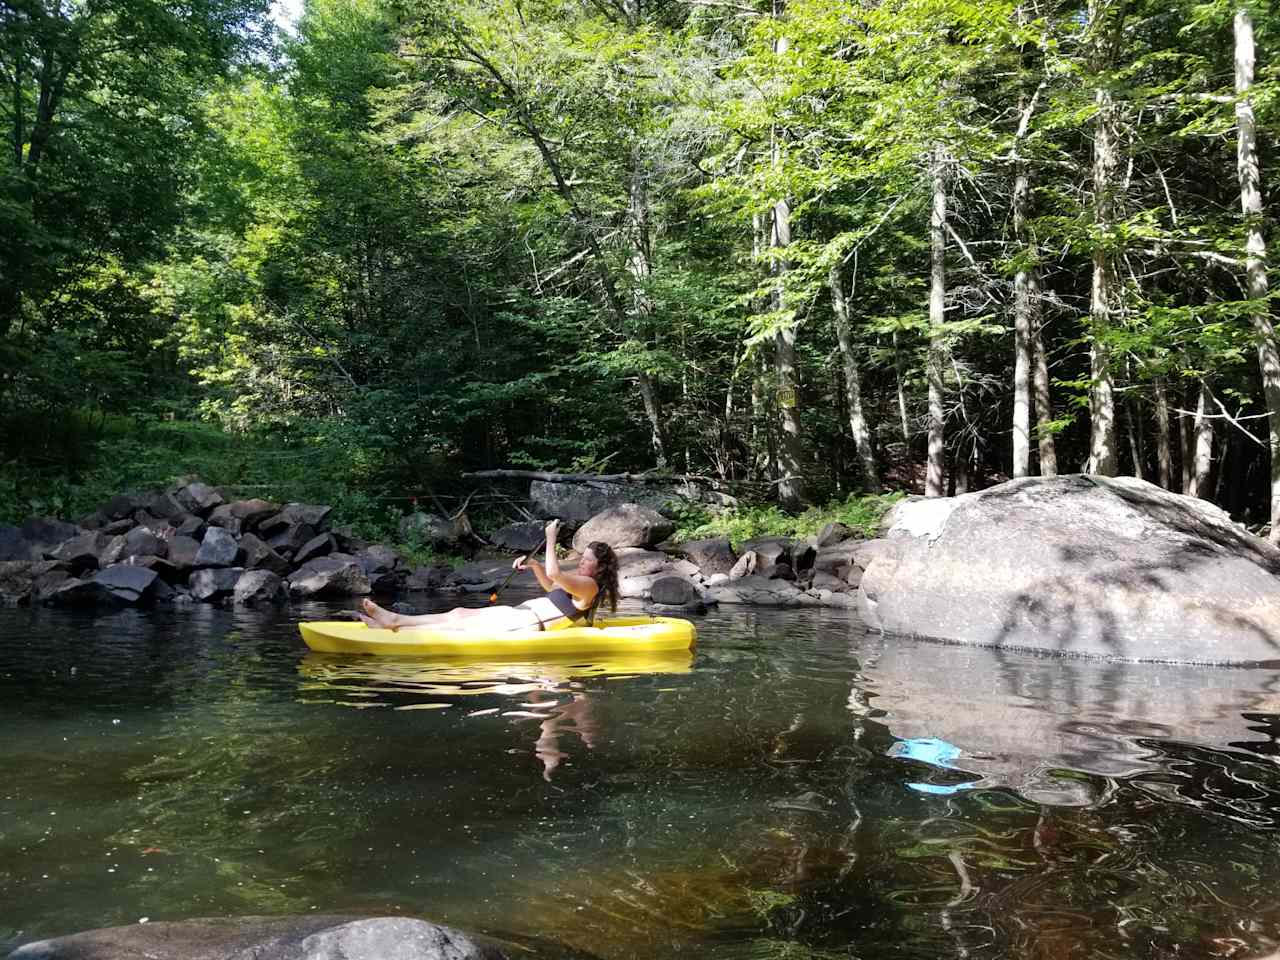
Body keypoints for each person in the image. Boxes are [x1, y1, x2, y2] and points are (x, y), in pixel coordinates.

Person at [357, 519, 619, 633]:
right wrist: (536, 567)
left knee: (456, 625)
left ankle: (394, 623)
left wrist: (551, 539)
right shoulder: (581, 582)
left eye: (586, 561)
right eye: (582, 558)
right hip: (521, 614)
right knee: (459, 612)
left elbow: (555, 573)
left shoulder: (589, 586)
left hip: (526, 624)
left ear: (599, 568)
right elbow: (552, 588)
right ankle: (394, 621)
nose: (582, 563)